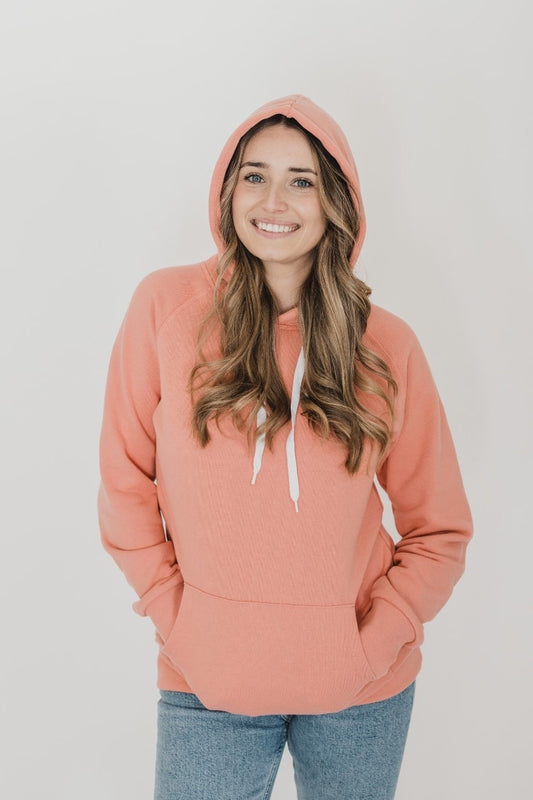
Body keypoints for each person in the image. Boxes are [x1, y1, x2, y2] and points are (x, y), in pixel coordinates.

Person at [97, 94, 473, 799]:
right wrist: (179, 621)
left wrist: (371, 643)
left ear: (335, 200)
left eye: (301, 179)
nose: (274, 200)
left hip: (363, 691)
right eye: (254, 175)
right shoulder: (165, 310)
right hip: (205, 683)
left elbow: (439, 529)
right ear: (226, 188)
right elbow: (122, 483)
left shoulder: (384, 343)